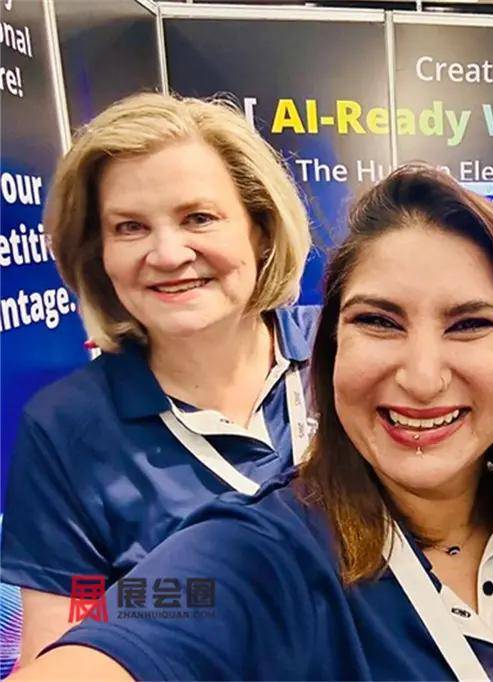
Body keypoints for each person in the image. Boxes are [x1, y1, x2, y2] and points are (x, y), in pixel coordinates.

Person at [10, 166, 493, 681]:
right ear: (329, 349)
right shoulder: (262, 554)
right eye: (378, 321)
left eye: (470, 324)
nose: (422, 378)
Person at [0, 93, 316, 661]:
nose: (168, 254)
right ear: (99, 254)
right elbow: (68, 636)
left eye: (199, 218)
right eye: (130, 227)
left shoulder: (348, 352)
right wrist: (205, 595)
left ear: (261, 230)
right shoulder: (65, 427)